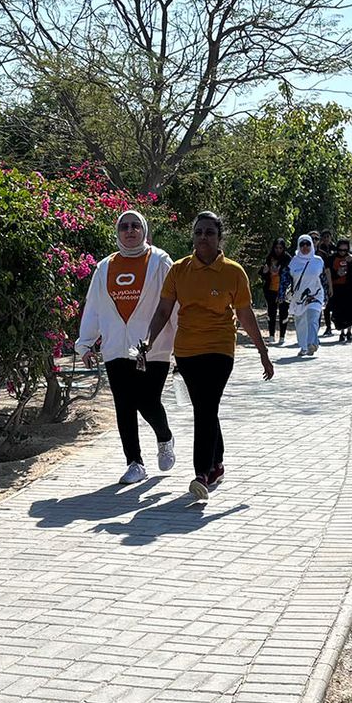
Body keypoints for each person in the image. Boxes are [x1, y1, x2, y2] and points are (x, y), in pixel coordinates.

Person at [139, 211, 274, 501]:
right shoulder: (178, 269)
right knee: (205, 406)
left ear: (219, 236)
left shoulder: (234, 272)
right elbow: (163, 310)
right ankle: (217, 464)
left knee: (205, 406)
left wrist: (263, 352)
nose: (203, 237)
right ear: (193, 235)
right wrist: (149, 340)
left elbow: (246, 315)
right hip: (187, 350)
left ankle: (201, 472)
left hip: (220, 348)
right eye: (199, 232)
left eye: (209, 232)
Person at [77, 209, 177, 485]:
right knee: (123, 406)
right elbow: (94, 307)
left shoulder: (160, 261)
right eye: (124, 227)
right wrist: (85, 343)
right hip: (114, 348)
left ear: (144, 230)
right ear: (118, 232)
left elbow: (173, 304)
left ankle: (164, 437)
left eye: (135, 226)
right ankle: (134, 462)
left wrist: (181, 344)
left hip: (152, 347)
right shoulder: (105, 267)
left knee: (147, 400)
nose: (130, 231)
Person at [286, 234, 327, 357]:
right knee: (301, 323)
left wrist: (327, 295)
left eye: (307, 244)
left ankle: (312, 344)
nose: (305, 247)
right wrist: (283, 293)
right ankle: (303, 347)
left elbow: (323, 278)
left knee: (312, 318)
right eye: (302, 244)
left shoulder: (318, 261)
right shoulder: (293, 262)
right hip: (299, 298)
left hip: (315, 295)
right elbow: (286, 279)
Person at [327, 240, 352, 344]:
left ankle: (349, 332)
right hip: (337, 288)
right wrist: (338, 273)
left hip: (351, 288)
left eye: (345, 250)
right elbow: (328, 273)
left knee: (350, 310)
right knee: (339, 311)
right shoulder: (332, 258)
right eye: (340, 250)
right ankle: (342, 331)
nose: (343, 252)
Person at [260, 239, 291, 344]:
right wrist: (265, 272)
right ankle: (271, 335)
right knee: (271, 313)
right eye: (276, 248)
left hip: (283, 291)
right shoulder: (270, 258)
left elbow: (290, 275)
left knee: (284, 313)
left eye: (280, 248)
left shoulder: (287, 259)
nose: (278, 250)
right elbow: (263, 274)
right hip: (271, 290)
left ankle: (282, 337)